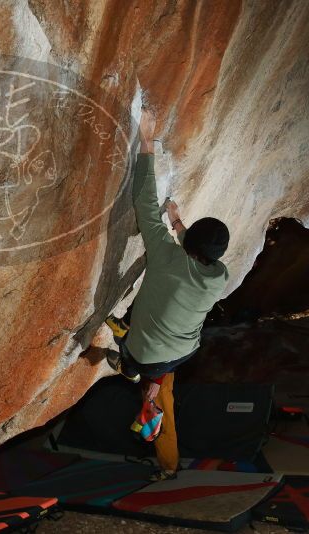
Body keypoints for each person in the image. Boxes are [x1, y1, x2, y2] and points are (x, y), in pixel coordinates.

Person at [105, 107, 230, 481]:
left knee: (135, 346)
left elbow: (144, 202)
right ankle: (135, 374)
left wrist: (146, 141)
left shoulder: (165, 254)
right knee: (156, 381)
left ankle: (129, 365)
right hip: (181, 353)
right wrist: (178, 225)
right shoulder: (219, 275)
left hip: (151, 352)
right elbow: (193, 253)